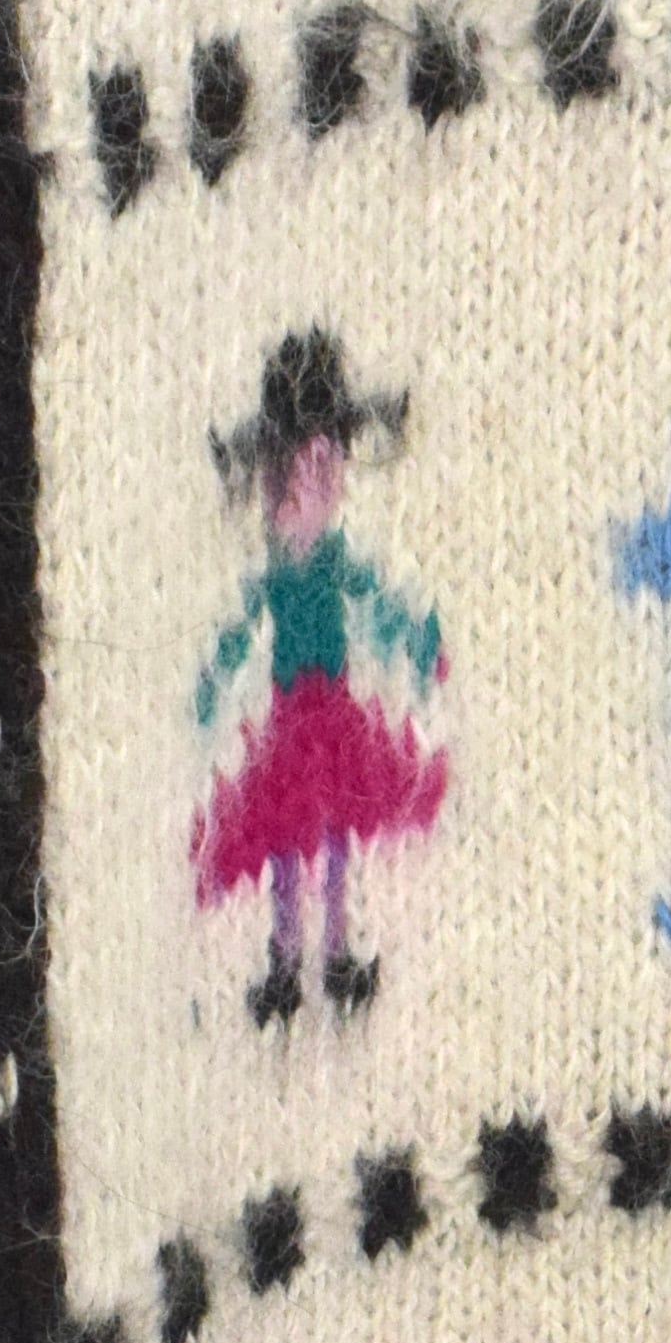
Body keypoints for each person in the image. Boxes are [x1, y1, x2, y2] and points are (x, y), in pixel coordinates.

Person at [192, 330, 448, 1021]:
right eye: (295, 469)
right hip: (288, 716)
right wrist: (215, 676)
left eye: (325, 463)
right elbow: (243, 624)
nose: (314, 480)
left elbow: (377, 600)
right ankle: (284, 961)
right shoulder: (278, 569)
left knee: (332, 834)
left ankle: (334, 954)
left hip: (332, 711)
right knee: (283, 837)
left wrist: (416, 638)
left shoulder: (332, 558)